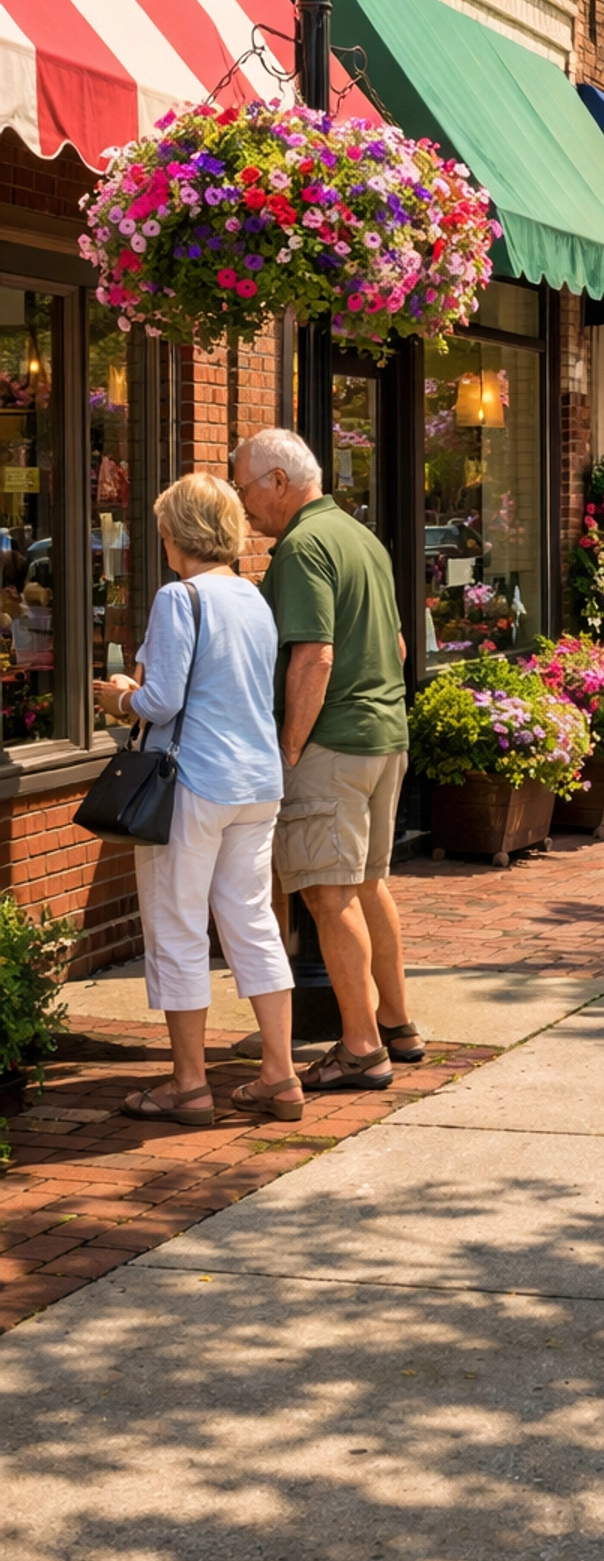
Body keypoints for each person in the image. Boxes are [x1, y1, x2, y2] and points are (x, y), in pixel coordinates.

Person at [92, 474, 300, 1126]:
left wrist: (120, 695)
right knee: (252, 922)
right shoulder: (251, 598)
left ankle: (188, 1085)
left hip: (191, 785)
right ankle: (281, 1075)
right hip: (257, 783)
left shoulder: (178, 598)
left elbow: (162, 701)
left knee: (177, 925)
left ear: (175, 534)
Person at [232, 426, 420, 1092]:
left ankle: (363, 1048)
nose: (243, 504)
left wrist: (287, 751)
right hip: (384, 735)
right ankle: (397, 1020)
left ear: (278, 482)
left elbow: (314, 655)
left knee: (327, 893)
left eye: (245, 487)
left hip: (330, 744)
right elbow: (396, 645)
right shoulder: (360, 537)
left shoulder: (302, 547)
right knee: (368, 883)